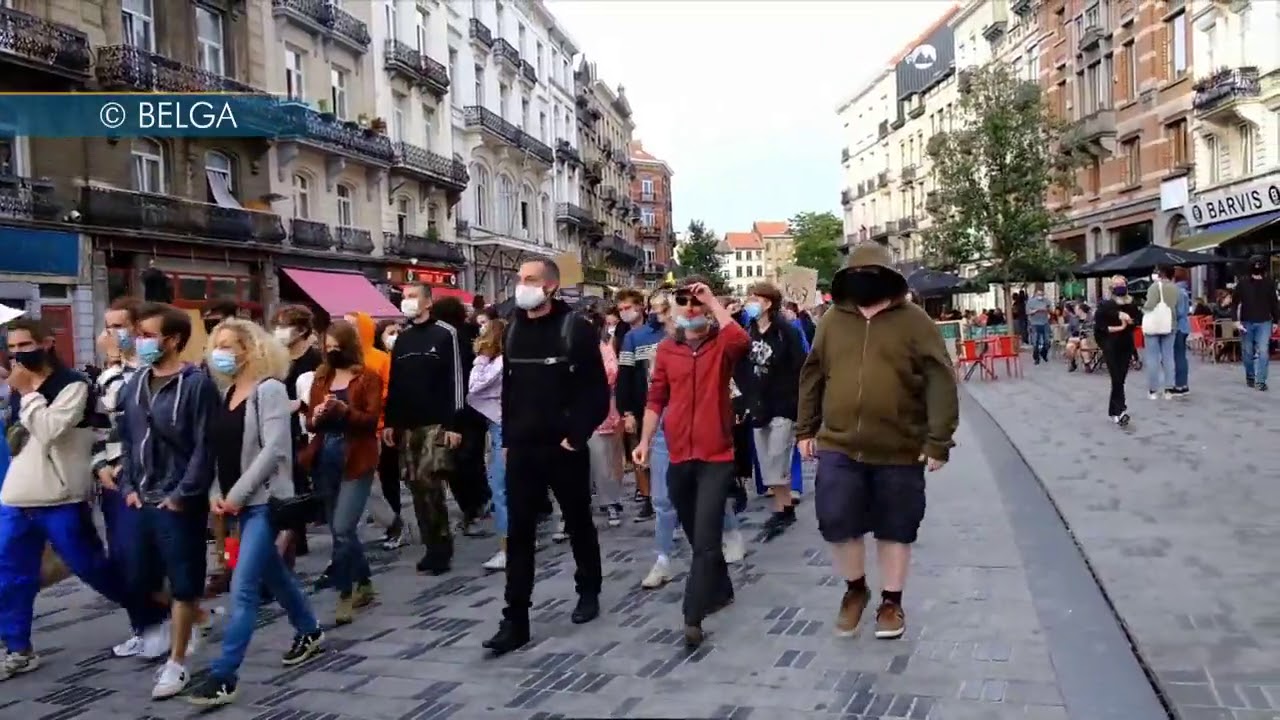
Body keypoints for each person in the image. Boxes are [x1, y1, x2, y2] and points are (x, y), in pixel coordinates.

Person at [796, 242, 959, 642]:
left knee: (896, 527)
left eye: (873, 274)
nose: (865, 282)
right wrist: (805, 428)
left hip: (900, 446)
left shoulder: (915, 321)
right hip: (837, 444)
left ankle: (891, 600)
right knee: (837, 521)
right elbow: (813, 374)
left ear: (890, 278)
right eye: (858, 275)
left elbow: (940, 378)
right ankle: (855, 590)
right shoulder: (832, 320)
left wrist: (938, 440)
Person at [186, 319, 324, 706]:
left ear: (251, 349)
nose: (222, 353)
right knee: (273, 574)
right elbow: (218, 452)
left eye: (230, 345)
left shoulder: (270, 390)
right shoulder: (226, 392)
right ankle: (310, 629)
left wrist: (238, 494)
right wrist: (218, 493)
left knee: (243, 589)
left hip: (263, 502)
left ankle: (223, 675)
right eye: (218, 345)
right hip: (234, 504)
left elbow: (275, 449)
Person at [483, 259, 608, 656]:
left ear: (551, 286)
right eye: (520, 280)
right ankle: (514, 618)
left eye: (531, 280)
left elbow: (595, 392)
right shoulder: (514, 328)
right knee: (519, 532)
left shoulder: (576, 329)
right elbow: (509, 388)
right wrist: (506, 436)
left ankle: (588, 588)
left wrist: (576, 436)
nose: (522, 286)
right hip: (522, 446)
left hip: (563, 446)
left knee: (577, 520)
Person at [0, 317, 135, 681]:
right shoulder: (18, 386)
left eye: (24, 345)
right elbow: (18, 438)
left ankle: (154, 613)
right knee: (10, 575)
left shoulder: (73, 384)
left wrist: (28, 392)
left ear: (46, 343)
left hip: (60, 496)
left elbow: (48, 430)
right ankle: (17, 648)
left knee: (92, 566)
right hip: (18, 495)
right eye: (11, 347)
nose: (17, 354)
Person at [633, 278, 749, 648]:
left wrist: (711, 300)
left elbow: (742, 342)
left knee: (705, 538)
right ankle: (722, 590)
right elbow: (655, 399)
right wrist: (645, 441)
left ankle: (692, 615)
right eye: (683, 302)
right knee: (696, 532)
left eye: (694, 302)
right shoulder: (667, 350)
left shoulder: (722, 344)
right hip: (679, 454)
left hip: (717, 455)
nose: (690, 307)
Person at [115, 302, 221, 698]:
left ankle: (176, 663)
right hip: (141, 496)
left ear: (173, 339)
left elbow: (204, 446)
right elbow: (126, 438)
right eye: (138, 334)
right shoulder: (136, 383)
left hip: (177, 500)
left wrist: (182, 495)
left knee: (182, 580)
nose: (139, 341)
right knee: (138, 579)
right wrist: (127, 485)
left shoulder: (196, 384)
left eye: (147, 335)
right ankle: (197, 616)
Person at [92, 297, 171, 658]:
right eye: (108, 327)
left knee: (145, 557)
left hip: (148, 476)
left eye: (120, 326)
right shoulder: (107, 372)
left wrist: (110, 364)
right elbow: (96, 422)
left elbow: (122, 401)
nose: (113, 334)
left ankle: (165, 620)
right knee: (124, 556)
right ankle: (143, 625)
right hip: (115, 478)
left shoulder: (142, 371)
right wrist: (98, 463)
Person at [301, 320, 383, 625]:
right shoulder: (321, 378)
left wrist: (344, 411)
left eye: (337, 347)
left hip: (357, 457)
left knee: (344, 527)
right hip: (327, 456)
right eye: (327, 347)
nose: (331, 352)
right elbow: (310, 422)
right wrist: (319, 414)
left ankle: (345, 593)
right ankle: (364, 583)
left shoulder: (366, 378)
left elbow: (371, 419)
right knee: (339, 530)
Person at [384, 282, 466, 575]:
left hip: (436, 422)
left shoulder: (445, 333)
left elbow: (456, 380)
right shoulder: (403, 339)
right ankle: (430, 544)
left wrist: (454, 423)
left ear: (428, 302)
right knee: (415, 486)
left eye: (413, 296)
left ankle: (441, 547)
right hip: (408, 424)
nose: (407, 301)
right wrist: (391, 421)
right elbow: (394, 383)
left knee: (431, 483)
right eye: (404, 297)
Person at [739, 282, 805, 542]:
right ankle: (785, 506)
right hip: (758, 405)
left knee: (778, 456)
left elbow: (801, 365)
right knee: (766, 460)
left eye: (754, 298)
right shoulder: (749, 331)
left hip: (782, 403)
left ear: (767, 303)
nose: (750, 303)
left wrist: (799, 402)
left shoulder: (785, 331)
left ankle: (782, 509)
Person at [430, 297, 489, 534]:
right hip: (472, 409)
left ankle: (473, 505)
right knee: (469, 459)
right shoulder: (467, 336)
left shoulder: (453, 338)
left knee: (459, 461)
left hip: (458, 408)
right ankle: (477, 501)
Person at [273, 305, 322, 568]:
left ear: (302, 330)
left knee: (305, 481)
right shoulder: (277, 359)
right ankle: (296, 537)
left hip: (308, 428)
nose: (279, 331)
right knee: (290, 481)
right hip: (281, 428)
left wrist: (299, 404)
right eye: (277, 325)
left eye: (285, 325)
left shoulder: (314, 360)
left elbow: (319, 393)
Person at [469, 316, 507, 571]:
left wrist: (481, 358)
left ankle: (509, 546)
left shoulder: (500, 363)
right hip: (499, 425)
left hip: (504, 425)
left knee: (501, 488)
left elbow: (476, 384)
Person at [613, 288, 652, 518]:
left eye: (628, 307)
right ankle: (646, 495)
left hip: (659, 400)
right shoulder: (624, 336)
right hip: (637, 401)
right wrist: (625, 409)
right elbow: (624, 376)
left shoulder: (657, 332)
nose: (624, 313)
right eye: (621, 310)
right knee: (640, 452)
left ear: (640, 306)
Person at [585, 310, 625, 527]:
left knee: (604, 458)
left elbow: (612, 373)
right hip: (575, 409)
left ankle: (611, 501)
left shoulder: (605, 348)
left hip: (601, 408)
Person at [374, 318, 405, 548]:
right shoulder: (378, 359)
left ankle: (395, 522)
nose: (396, 335)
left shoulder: (397, 358)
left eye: (398, 331)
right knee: (384, 477)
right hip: (377, 426)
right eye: (391, 332)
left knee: (391, 476)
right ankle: (391, 521)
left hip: (395, 423)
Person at [1094, 276, 1142, 426]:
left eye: (1122, 284)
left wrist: (1131, 321)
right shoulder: (1105, 305)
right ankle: (1121, 410)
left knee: (1120, 378)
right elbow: (1100, 326)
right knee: (1116, 378)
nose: (1120, 287)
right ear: (1111, 288)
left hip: (1126, 344)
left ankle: (1114, 411)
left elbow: (1137, 320)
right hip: (1110, 344)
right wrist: (1120, 322)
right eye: (1116, 285)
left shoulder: (1131, 303)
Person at [1234, 254, 1280, 391]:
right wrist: (1235, 320)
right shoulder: (1242, 284)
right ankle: (1250, 376)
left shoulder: (1269, 283)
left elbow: (1274, 303)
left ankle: (1260, 381)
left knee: (1263, 351)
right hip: (1247, 321)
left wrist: (1276, 320)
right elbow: (1234, 303)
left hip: (1265, 321)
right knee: (1247, 352)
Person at [1142, 265, 1179, 399]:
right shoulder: (1175, 288)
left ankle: (1153, 390)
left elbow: (1150, 305)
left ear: (1161, 273)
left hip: (1154, 325)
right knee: (1168, 356)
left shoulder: (1154, 287)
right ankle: (1169, 389)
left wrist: (1143, 308)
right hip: (1170, 324)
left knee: (1152, 357)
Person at [1171, 268, 1193, 396]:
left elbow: (1178, 312)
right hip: (1184, 327)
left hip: (1178, 327)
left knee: (1178, 356)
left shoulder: (1176, 291)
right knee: (1182, 356)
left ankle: (1179, 385)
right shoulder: (1184, 291)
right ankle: (1183, 383)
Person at [1026, 286, 1051, 364]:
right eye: (1039, 294)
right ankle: (1036, 358)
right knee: (1035, 341)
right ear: (1036, 294)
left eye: (1042, 294)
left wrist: (1046, 310)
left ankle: (1044, 353)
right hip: (1034, 323)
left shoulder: (1047, 301)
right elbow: (1027, 312)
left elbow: (1051, 310)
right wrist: (1035, 311)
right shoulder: (1030, 302)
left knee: (1047, 341)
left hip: (1045, 322)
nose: (1040, 296)